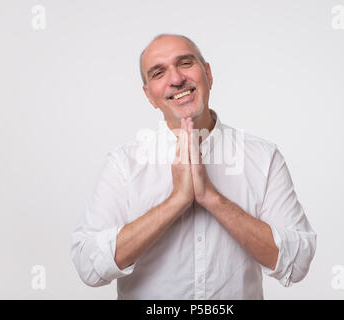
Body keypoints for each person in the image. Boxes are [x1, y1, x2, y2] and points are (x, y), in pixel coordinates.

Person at [71, 34, 317, 299]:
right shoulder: (124, 164)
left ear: (208, 74)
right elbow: (89, 266)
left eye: (185, 63)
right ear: (149, 96)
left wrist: (211, 197)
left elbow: (297, 263)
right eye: (158, 73)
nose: (176, 79)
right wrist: (176, 200)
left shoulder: (263, 157)